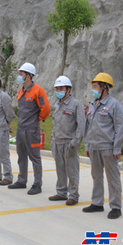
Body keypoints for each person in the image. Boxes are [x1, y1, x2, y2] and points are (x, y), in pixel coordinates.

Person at [83, 73, 123, 219]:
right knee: (96, 175)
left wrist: (117, 148)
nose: (93, 90)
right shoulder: (91, 105)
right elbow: (87, 126)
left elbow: (120, 127)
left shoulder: (114, 105)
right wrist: (87, 145)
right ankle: (97, 203)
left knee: (112, 177)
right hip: (94, 146)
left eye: (95, 87)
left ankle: (115, 206)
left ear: (104, 87)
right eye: (92, 87)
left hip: (108, 146)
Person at [9, 63, 50, 195]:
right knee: (21, 155)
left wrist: (38, 119)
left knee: (35, 157)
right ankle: (22, 180)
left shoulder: (38, 90)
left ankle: (37, 184)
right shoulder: (22, 90)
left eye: (21, 74)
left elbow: (46, 109)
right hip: (21, 129)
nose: (19, 76)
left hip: (32, 130)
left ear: (28, 76)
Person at [49, 75, 84, 205]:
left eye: (61, 88)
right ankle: (61, 192)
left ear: (68, 89)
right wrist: (53, 138)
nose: (59, 91)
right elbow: (55, 122)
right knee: (60, 169)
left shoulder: (75, 104)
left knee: (72, 170)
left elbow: (81, 125)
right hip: (57, 141)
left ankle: (74, 195)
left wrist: (75, 142)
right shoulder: (57, 104)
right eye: (57, 89)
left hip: (69, 142)